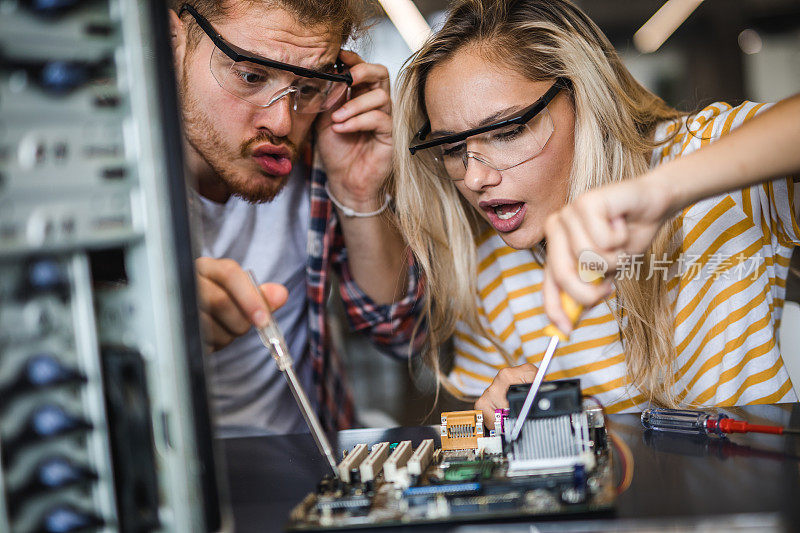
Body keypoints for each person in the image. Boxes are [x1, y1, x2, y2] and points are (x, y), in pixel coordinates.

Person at [393, 0, 800, 428]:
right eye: (453, 148)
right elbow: (487, 426)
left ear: (583, 97)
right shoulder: (488, 261)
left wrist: (663, 190)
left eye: (507, 131)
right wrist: (497, 415)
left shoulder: (705, 161)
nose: (474, 177)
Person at [168, 0, 424, 434]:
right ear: (173, 42)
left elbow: (402, 335)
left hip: (305, 464)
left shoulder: (320, 155)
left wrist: (358, 191)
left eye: (306, 88)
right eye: (251, 76)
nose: (282, 122)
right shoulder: (104, 183)